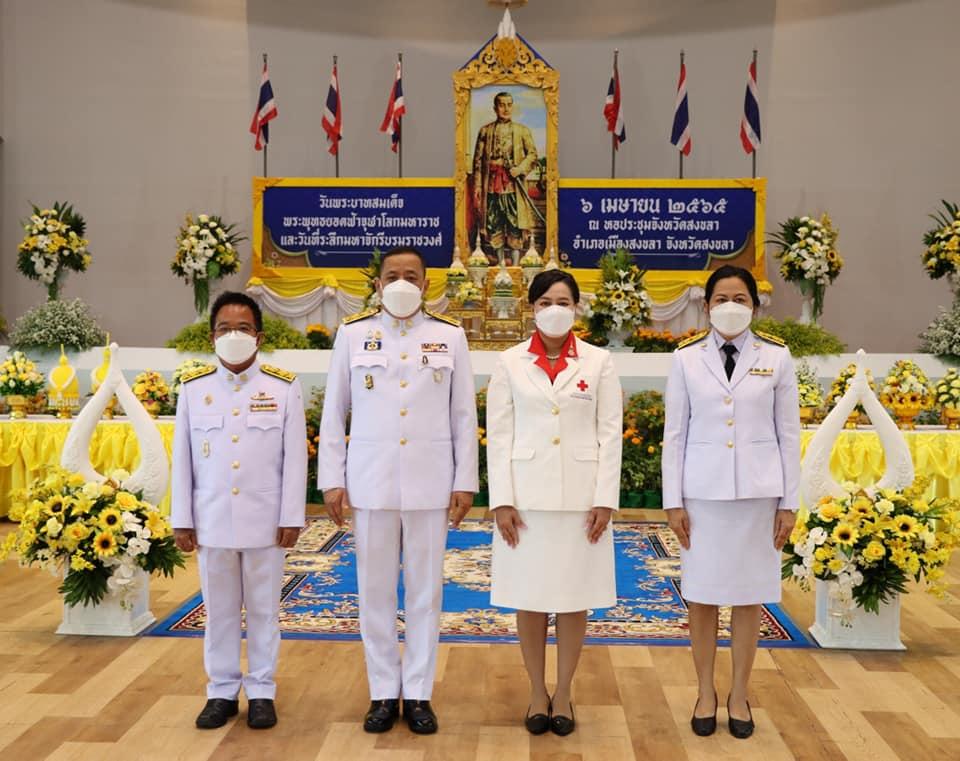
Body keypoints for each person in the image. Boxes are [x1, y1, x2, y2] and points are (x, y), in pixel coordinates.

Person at [317, 246, 478, 735]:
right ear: (378, 284)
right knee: (375, 591)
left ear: (427, 284)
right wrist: (332, 479)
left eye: (411, 275)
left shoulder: (449, 335)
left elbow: (463, 415)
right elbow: (334, 411)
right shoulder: (353, 334)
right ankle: (384, 691)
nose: (401, 283)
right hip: (372, 482)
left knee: (426, 592)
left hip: (431, 481)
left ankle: (420, 693)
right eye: (392, 276)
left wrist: (465, 480)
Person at [661, 265, 800, 740]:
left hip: (759, 497)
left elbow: (788, 434)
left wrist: (789, 503)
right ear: (706, 306)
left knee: (747, 598)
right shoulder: (686, 358)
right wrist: (672, 501)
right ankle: (705, 691)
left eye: (740, 298)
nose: (730, 306)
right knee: (701, 597)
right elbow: (675, 435)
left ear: (755, 306)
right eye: (721, 298)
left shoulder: (776, 357)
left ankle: (739, 693)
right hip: (702, 497)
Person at [486, 269, 622, 736]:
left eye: (563, 302)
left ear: (576, 308)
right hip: (526, 499)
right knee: (529, 598)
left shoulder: (599, 362)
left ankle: (563, 691)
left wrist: (605, 498)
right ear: (532, 309)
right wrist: (502, 500)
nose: (554, 310)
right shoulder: (509, 362)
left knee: (572, 598)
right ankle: (536, 691)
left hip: (582, 499)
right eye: (545, 302)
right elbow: (499, 436)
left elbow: (610, 434)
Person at [171, 291, 307, 731]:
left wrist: (291, 516)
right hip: (211, 519)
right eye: (225, 328)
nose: (234, 335)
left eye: (243, 328)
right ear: (212, 337)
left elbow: (294, 458)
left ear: (259, 336)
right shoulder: (194, 389)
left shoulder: (282, 387)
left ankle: (262, 690)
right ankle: (222, 691)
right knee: (220, 611)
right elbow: (183, 459)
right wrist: (182, 518)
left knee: (265, 610)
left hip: (265, 520)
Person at [471, 91, 539, 263]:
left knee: (514, 224)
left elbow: (532, 155)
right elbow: (477, 162)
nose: (506, 109)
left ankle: (515, 266)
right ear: (495, 108)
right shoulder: (485, 131)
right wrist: (477, 186)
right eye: (502, 105)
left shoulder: (522, 131)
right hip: (491, 185)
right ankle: (500, 263)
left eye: (509, 105)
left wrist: (520, 168)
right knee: (494, 223)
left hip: (512, 186)